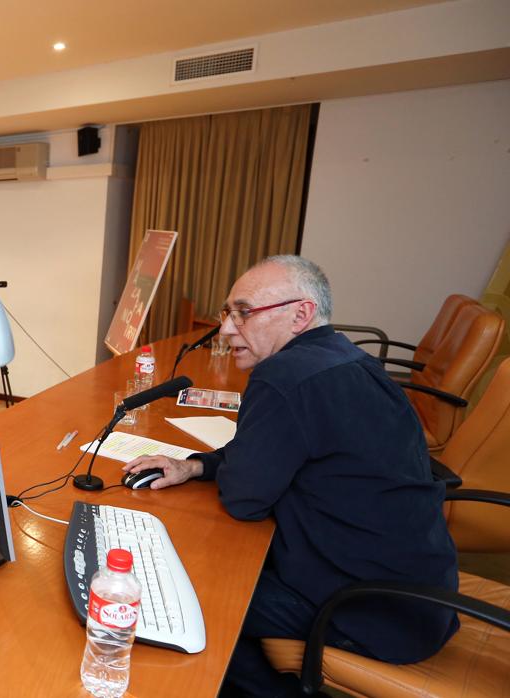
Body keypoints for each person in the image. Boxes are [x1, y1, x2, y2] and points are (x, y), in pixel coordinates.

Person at [122, 255, 458, 697]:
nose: (225, 329)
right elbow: (280, 453)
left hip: (367, 611)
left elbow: (244, 501)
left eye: (244, 312)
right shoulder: (343, 359)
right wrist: (196, 465)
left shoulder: (286, 375)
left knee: (188, 594)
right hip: (423, 598)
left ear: (301, 314)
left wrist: (229, 470)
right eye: (228, 313)